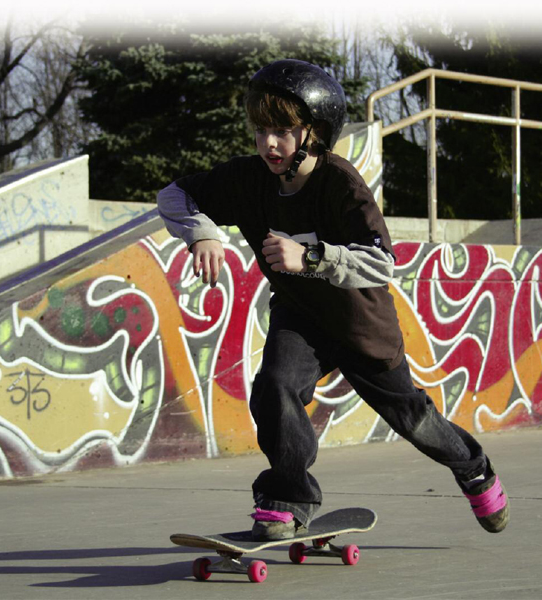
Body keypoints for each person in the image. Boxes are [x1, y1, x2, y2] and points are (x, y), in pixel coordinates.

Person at [157, 59, 509, 541]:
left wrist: (313, 257)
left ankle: (474, 469)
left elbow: (382, 262)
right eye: (261, 131)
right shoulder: (247, 178)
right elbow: (174, 196)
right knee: (275, 386)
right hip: (300, 317)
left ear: (314, 132)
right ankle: (288, 497)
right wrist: (201, 235)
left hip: (360, 323)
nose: (269, 145)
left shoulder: (340, 182)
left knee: (413, 418)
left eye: (282, 131)